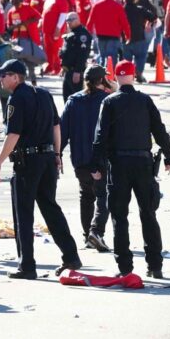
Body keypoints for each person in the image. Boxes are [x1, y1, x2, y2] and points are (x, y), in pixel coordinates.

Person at [0, 59, 81, 280]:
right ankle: (70, 255)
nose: (1, 78)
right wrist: (57, 155)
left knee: (23, 213)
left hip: (28, 160)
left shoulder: (16, 98)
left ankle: (27, 266)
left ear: (16, 77)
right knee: (50, 206)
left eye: (4, 75)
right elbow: (56, 126)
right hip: (48, 158)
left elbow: (14, 134)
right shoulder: (44, 94)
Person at [93, 60, 170, 278]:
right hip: (143, 164)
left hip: (119, 165)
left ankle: (125, 268)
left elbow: (101, 136)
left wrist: (96, 165)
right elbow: (159, 129)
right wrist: (168, 155)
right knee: (148, 214)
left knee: (119, 217)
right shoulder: (145, 101)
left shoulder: (109, 102)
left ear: (116, 77)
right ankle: (155, 266)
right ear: (134, 74)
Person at [60, 66, 112, 253]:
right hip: (100, 159)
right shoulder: (107, 100)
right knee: (103, 196)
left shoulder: (73, 101)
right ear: (102, 80)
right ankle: (95, 232)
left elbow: (62, 131)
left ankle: (86, 235)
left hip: (80, 159)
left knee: (86, 196)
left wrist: (57, 155)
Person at [87, 0, 131, 67]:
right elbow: (124, 23)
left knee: (102, 56)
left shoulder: (97, 5)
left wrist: (88, 33)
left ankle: (102, 74)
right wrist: (128, 35)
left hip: (101, 35)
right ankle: (111, 74)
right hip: (114, 36)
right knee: (112, 57)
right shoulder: (118, 7)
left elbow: (90, 22)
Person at [59, 12, 92, 102]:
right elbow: (68, 52)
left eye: (70, 20)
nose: (68, 23)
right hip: (68, 71)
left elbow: (82, 54)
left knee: (77, 99)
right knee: (67, 99)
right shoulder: (72, 33)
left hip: (76, 72)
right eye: (67, 21)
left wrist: (77, 71)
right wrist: (63, 66)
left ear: (77, 20)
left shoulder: (82, 35)